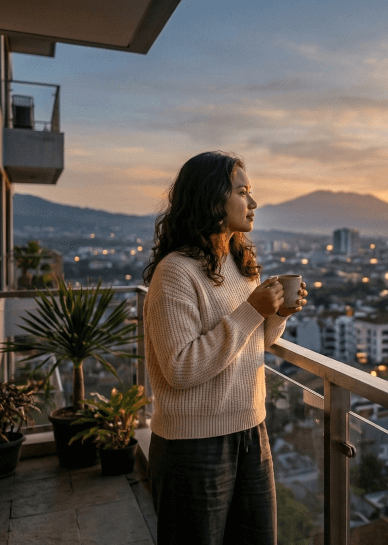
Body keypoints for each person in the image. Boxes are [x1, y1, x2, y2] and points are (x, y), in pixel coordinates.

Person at [142, 151, 307, 545]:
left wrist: (277, 315)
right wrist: (252, 312)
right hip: (192, 446)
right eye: (242, 192)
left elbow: (253, 345)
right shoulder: (176, 272)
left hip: (252, 429)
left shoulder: (238, 263)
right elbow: (180, 368)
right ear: (212, 199)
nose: (253, 203)